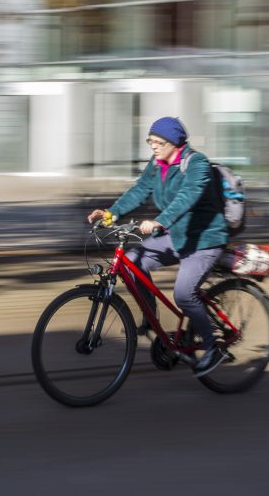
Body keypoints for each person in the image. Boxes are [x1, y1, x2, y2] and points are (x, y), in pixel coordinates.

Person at [87, 117, 229, 377]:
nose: (153, 146)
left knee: (184, 294)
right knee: (132, 264)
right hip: (177, 235)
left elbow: (188, 196)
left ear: (174, 142)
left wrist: (159, 221)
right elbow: (140, 189)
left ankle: (212, 348)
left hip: (204, 240)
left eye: (158, 142)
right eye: (150, 141)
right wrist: (112, 213)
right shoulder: (157, 164)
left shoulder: (196, 164)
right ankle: (150, 317)